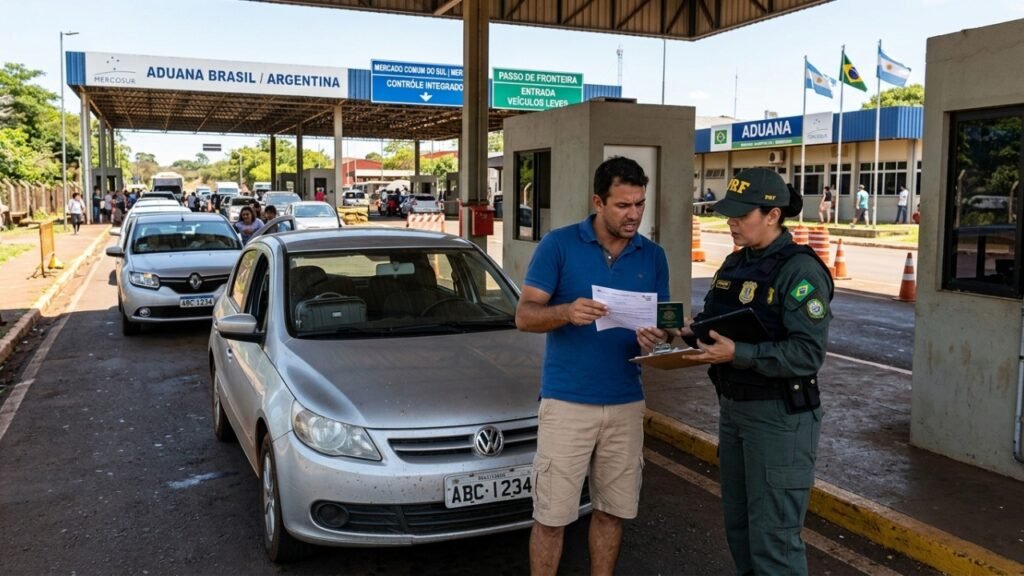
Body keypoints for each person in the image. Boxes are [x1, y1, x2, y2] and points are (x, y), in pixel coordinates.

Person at [515, 156, 671, 576]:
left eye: (640, 204)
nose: (634, 214)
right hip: (567, 402)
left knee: (613, 512)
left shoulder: (653, 255)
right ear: (598, 202)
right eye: (623, 205)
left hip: (625, 402)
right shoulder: (559, 245)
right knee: (551, 517)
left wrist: (660, 337)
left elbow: (667, 324)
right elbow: (525, 315)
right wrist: (566, 312)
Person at [681, 168, 833, 576]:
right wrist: (687, 333)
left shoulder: (800, 271)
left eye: (741, 214)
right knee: (741, 529)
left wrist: (740, 353)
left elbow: (807, 353)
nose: (731, 221)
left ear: (773, 214)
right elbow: (722, 325)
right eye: (729, 213)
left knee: (774, 542)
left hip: (779, 419)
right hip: (735, 410)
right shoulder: (735, 263)